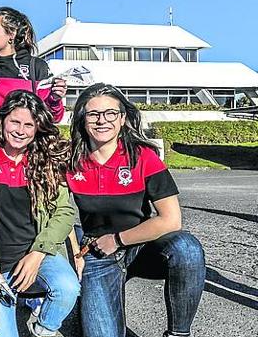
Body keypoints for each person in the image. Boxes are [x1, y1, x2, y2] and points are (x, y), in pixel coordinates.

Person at [67, 83, 206, 337]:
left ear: (122, 118)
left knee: (187, 248)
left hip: (142, 245)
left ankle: (179, 334)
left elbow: (171, 220)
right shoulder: (70, 159)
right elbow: (57, 213)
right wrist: (74, 252)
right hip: (98, 252)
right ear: (82, 120)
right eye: (93, 114)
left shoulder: (143, 156)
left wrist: (118, 239)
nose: (102, 121)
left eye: (111, 113)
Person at [0, 90, 80, 337]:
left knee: (67, 287)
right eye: (15, 122)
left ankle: (42, 327)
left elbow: (64, 211)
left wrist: (37, 253)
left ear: (37, 128)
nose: (20, 131)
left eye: (28, 125)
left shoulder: (46, 161)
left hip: (35, 254)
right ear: (1, 121)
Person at [0, 7, 67, 121]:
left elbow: (53, 117)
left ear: (11, 34)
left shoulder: (36, 67)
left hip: (25, 137)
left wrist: (54, 99)